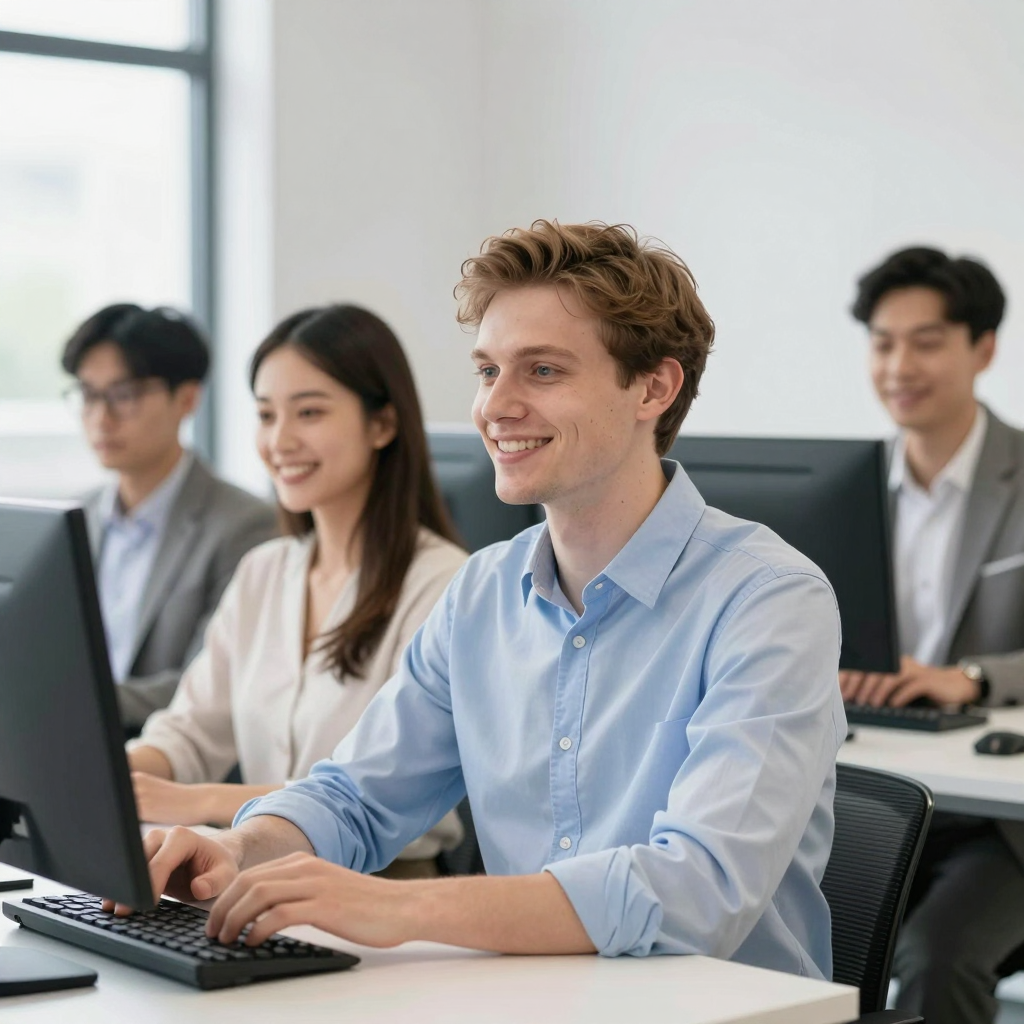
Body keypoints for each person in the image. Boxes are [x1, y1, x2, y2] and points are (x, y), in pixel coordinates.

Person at [111, 221, 844, 976]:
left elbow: (698, 891)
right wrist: (238, 846)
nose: (496, 405)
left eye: (543, 372)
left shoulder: (769, 598)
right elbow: (356, 797)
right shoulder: (483, 594)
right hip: (529, 998)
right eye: (488, 371)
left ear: (653, 388)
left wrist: (402, 909)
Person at [126, 305, 467, 873]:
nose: (280, 440)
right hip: (250, 878)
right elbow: (191, 730)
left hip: (382, 892)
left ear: (382, 424)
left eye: (309, 412)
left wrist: (200, 801)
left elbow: (390, 798)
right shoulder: (265, 569)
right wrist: (123, 776)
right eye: (265, 415)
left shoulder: (443, 583)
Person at [841, 246, 1024, 1024]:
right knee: (782, 932)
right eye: (883, 342)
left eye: (926, 341)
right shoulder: (848, 486)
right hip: (879, 790)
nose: (898, 365)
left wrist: (976, 680)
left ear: (982, 347)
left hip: (1000, 824)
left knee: (935, 960)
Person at [63, 304, 277, 731]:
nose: (101, 418)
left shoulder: (246, 526)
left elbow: (208, 684)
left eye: (123, 395)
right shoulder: (75, 519)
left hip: (164, 756)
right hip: (66, 740)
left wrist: (67, 697)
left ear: (187, 398)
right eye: (88, 395)